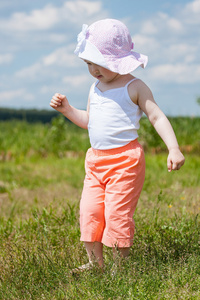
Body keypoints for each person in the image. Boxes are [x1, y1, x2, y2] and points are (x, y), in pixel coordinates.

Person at [50, 19, 185, 270]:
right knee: (90, 212)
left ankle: (120, 268)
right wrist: (68, 110)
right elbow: (89, 121)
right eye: (89, 63)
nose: (94, 70)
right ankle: (95, 263)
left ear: (118, 61)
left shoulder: (135, 87)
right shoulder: (95, 88)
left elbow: (156, 116)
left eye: (99, 64)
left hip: (125, 161)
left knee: (117, 214)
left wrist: (173, 148)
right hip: (96, 160)